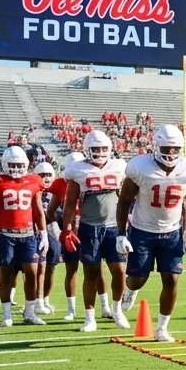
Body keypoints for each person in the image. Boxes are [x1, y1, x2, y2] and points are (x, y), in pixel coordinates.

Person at [116, 125, 186, 343]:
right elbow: (125, 200)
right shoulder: (140, 167)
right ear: (156, 146)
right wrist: (120, 233)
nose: (171, 153)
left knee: (172, 280)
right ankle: (130, 290)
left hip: (172, 232)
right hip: (142, 231)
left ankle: (162, 328)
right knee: (137, 279)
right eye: (167, 148)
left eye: (175, 149)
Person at [62, 131, 129, 332]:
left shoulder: (120, 166)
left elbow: (125, 198)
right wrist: (67, 228)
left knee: (120, 271)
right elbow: (70, 202)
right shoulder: (78, 170)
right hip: (89, 228)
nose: (99, 152)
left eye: (103, 149)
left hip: (113, 227)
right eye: (95, 149)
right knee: (90, 272)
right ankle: (89, 317)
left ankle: (117, 309)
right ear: (86, 150)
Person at [0, 146, 48, 327]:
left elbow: (38, 211)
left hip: (28, 235)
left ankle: (30, 312)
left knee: (32, 274)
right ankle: (6, 314)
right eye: (12, 164)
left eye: (19, 164)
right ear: (4, 164)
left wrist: (43, 233)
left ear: (26, 164)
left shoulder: (34, 181)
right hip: (5, 235)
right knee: (6, 274)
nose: (16, 168)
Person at [45, 152, 86, 320]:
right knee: (72, 270)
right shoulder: (61, 184)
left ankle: (106, 307)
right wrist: (56, 226)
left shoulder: (90, 180)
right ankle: (72, 309)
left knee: (97, 270)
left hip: (89, 229)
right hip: (70, 232)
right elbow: (50, 211)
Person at [33, 162, 60, 314]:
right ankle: (37, 300)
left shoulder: (58, 191)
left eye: (48, 174)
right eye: (42, 175)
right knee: (39, 267)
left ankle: (46, 299)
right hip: (37, 231)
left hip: (53, 231)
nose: (45, 178)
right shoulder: (33, 190)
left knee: (51, 267)